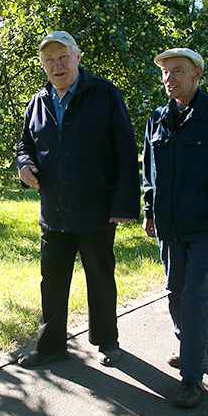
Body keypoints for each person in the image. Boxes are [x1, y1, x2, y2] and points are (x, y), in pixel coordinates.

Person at [16, 31, 140, 369]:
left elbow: (126, 150)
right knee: (52, 281)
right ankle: (51, 345)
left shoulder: (104, 93)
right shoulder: (38, 102)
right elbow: (25, 145)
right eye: (49, 60)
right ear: (43, 65)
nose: (57, 65)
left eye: (63, 57)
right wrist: (23, 165)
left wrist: (125, 204)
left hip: (96, 208)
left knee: (100, 277)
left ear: (78, 57)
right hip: (54, 210)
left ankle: (107, 341)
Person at [142, 48, 208, 408]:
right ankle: (197, 346)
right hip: (170, 225)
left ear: (197, 74)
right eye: (165, 73)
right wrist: (149, 211)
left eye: (177, 71)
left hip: (206, 226)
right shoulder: (157, 119)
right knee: (175, 292)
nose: (169, 78)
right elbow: (149, 174)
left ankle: (192, 377)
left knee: (197, 296)